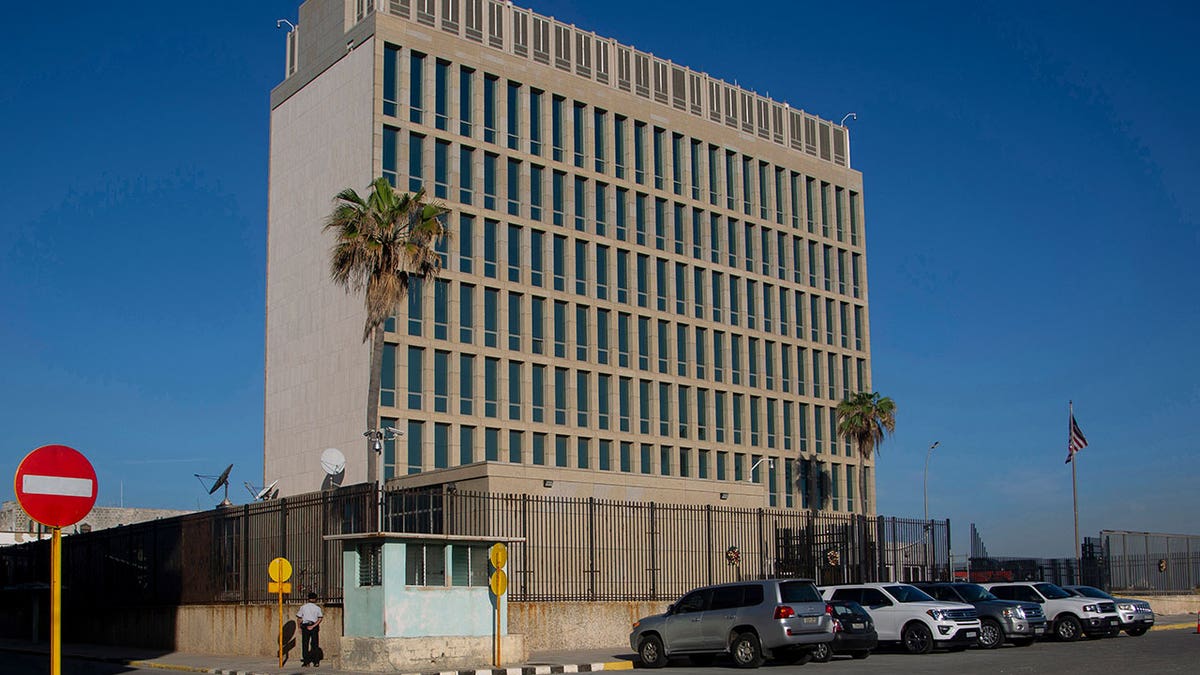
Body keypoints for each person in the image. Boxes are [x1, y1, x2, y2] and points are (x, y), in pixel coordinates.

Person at [296, 592, 324, 667]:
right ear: (315, 599)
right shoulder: (317, 608)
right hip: (314, 627)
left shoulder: (303, 607)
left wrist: (299, 627)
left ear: (308, 598)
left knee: (305, 644)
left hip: (305, 626)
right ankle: (316, 662)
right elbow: (320, 618)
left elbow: (299, 618)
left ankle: (306, 662)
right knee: (315, 644)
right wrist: (313, 626)